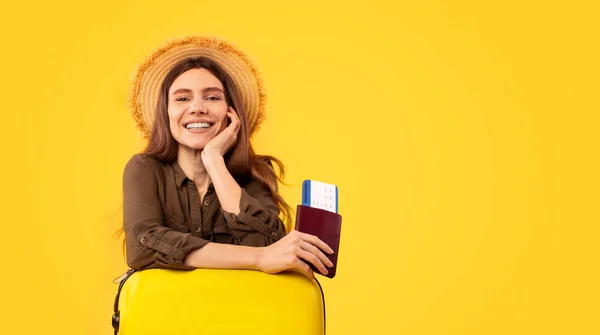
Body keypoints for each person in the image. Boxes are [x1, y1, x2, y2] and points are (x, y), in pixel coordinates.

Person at [123, 36, 333, 279]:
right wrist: (258, 259)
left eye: (212, 97)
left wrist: (213, 160)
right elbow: (143, 246)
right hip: (169, 313)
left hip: (247, 312)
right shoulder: (145, 169)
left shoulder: (256, 172)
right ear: (165, 112)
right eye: (182, 98)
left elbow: (266, 242)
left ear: (230, 112)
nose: (197, 108)